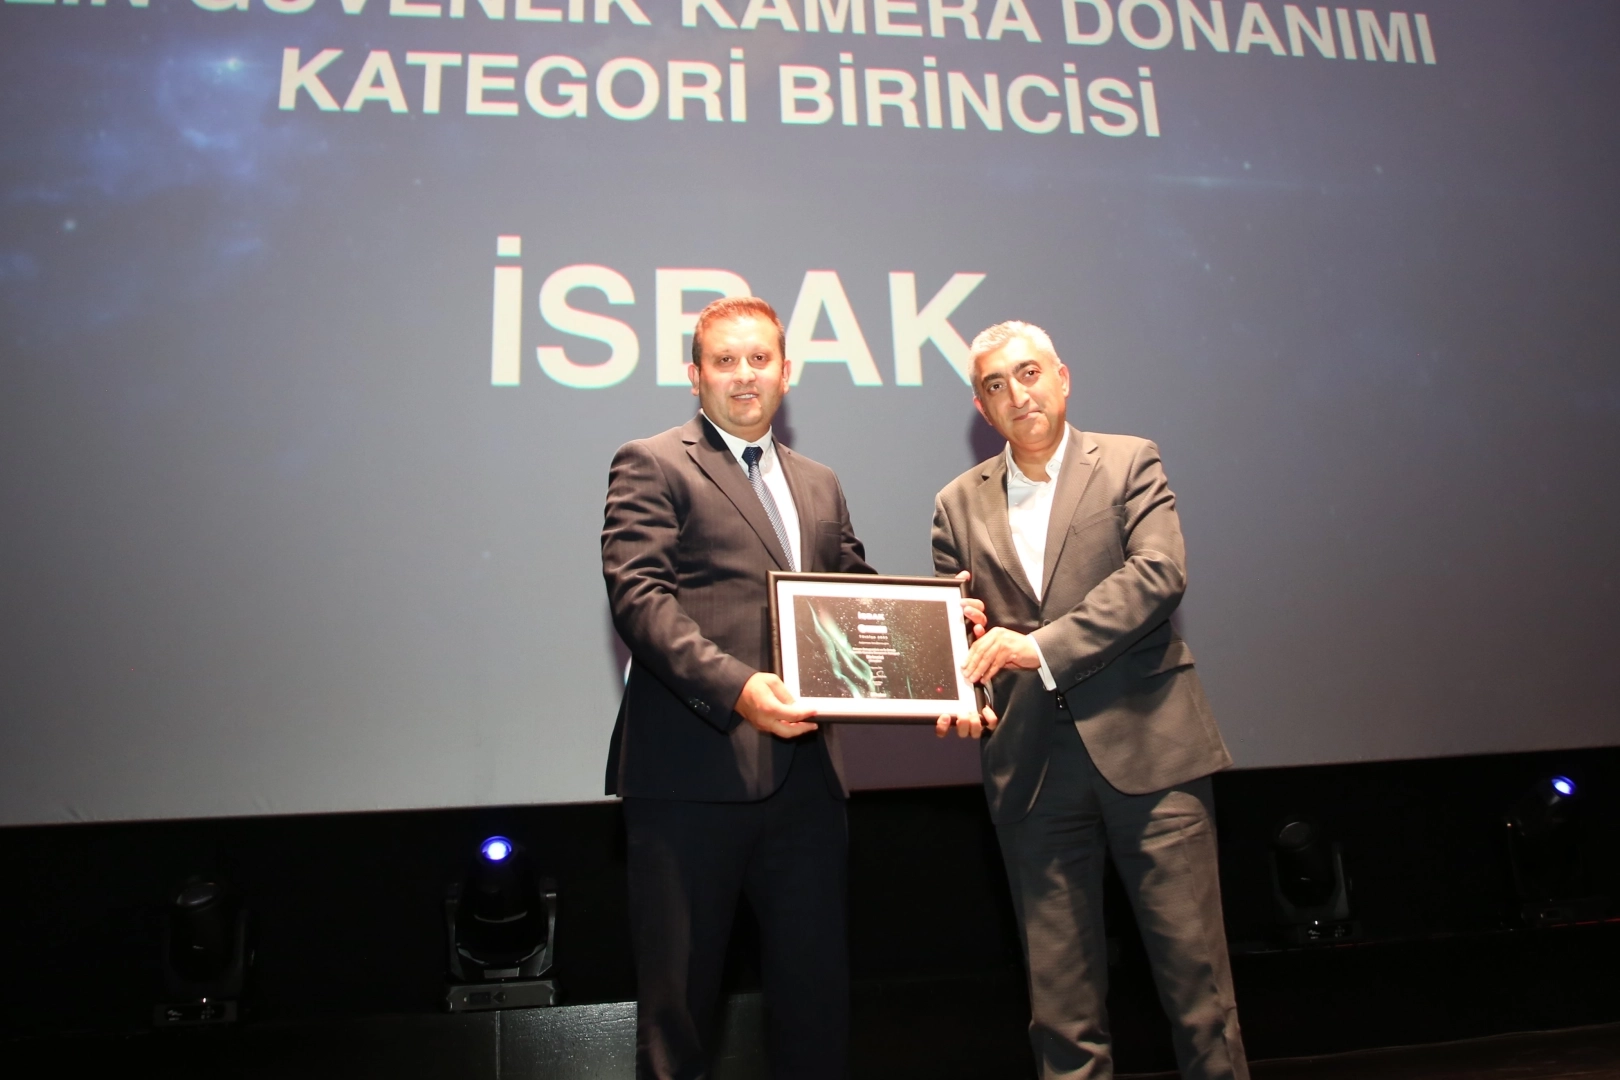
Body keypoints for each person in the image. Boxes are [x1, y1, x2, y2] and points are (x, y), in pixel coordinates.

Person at [931, 321, 1249, 1080]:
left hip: (1152, 753)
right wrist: (955, 673)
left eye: (1029, 373)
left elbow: (1158, 574)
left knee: (1199, 995)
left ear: (1063, 378)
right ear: (981, 406)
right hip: (1032, 772)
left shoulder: (1130, 461)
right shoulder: (955, 504)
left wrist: (1037, 647)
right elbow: (955, 628)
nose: (1018, 393)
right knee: (1062, 1016)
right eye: (996, 384)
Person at [600, 295, 871, 1080]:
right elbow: (640, 600)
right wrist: (739, 689)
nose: (744, 375)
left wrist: (944, 635)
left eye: (759, 359)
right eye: (725, 361)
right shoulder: (653, 462)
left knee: (816, 1009)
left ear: (787, 371)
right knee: (679, 1018)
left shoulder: (820, 483)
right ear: (695, 376)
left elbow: (855, 601)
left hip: (807, 785)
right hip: (692, 777)